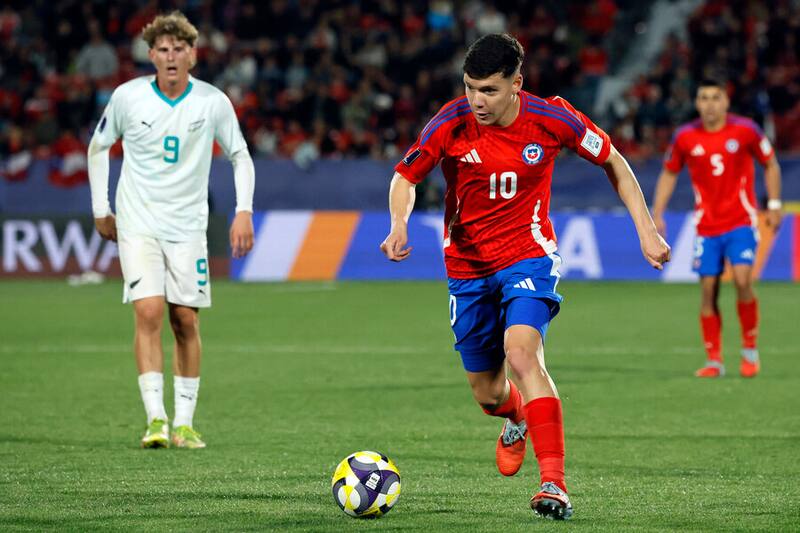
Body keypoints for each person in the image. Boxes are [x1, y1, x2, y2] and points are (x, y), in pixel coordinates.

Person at [380, 33, 670, 520]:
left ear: (517, 83)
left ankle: (553, 483)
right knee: (488, 393)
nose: (477, 100)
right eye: (471, 87)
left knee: (521, 353)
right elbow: (405, 177)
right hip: (468, 268)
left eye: (489, 90)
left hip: (528, 256)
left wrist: (646, 229)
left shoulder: (552, 117)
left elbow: (614, 161)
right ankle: (516, 417)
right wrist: (399, 222)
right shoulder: (450, 122)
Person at [87, 11, 256, 449]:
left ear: (193, 54)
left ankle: (185, 422)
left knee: (184, 319)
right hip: (138, 222)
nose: (171, 56)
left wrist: (243, 211)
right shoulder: (128, 98)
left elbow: (240, 155)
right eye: (163, 49)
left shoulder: (212, 101)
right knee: (147, 312)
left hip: (187, 227)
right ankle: (156, 420)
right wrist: (101, 208)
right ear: (151, 55)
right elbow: (98, 147)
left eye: (179, 48)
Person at [652, 78, 782, 379]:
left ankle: (749, 351)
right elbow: (669, 173)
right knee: (708, 290)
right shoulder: (685, 136)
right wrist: (656, 214)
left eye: (715, 97)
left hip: (740, 222)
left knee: (742, 280)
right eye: (703, 98)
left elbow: (771, 164)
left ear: (726, 101)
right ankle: (715, 360)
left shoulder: (746, 130)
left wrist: (774, 205)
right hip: (707, 227)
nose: (709, 104)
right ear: (697, 103)